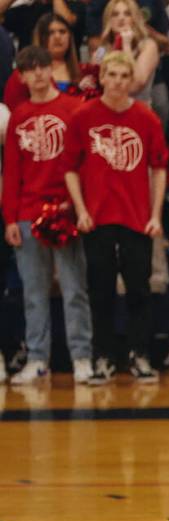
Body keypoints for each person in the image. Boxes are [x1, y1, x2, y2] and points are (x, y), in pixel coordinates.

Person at [64, 51, 168, 385]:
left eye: (125, 76)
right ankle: (103, 356)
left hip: (137, 218)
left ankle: (140, 355)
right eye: (113, 75)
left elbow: (159, 169)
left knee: (139, 289)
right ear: (102, 78)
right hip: (97, 218)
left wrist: (155, 215)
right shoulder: (83, 116)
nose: (119, 82)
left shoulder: (146, 117)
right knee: (101, 291)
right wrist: (80, 210)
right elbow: (69, 170)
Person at [2, 46, 93, 385]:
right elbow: (12, 171)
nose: (38, 73)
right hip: (27, 211)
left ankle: (82, 356)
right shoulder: (19, 116)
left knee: (74, 288)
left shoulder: (73, 109)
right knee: (33, 292)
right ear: (22, 76)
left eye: (42, 67)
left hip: (66, 210)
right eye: (30, 69)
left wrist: (79, 206)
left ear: (50, 70)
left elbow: (85, 165)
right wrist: (10, 218)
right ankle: (38, 359)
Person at [3, 14, 100, 111]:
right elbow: (15, 110)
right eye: (50, 32)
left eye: (62, 32)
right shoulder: (24, 73)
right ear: (40, 37)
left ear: (70, 37)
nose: (57, 37)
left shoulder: (86, 71)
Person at [92, 0, 161, 105]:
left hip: (138, 111)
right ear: (109, 20)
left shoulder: (147, 46)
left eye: (127, 14)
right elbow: (95, 79)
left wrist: (126, 46)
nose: (121, 18)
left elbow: (137, 84)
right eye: (115, 14)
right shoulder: (103, 48)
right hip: (107, 109)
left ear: (134, 18)